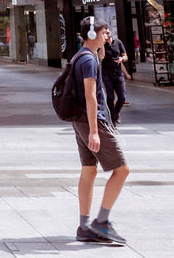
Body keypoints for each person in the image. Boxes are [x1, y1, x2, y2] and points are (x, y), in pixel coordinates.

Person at [71, 17, 130, 244]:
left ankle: (84, 226)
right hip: (91, 121)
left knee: (89, 170)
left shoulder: (83, 56)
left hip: (80, 120)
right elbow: (90, 97)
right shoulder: (89, 61)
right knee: (122, 170)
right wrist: (95, 131)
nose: (107, 36)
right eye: (104, 32)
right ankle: (101, 222)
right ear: (93, 35)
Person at [101, 29, 130, 125]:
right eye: (104, 34)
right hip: (107, 74)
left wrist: (121, 59)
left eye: (108, 33)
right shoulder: (102, 45)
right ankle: (113, 119)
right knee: (110, 97)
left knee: (122, 97)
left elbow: (125, 56)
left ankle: (116, 112)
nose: (107, 35)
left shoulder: (118, 42)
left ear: (111, 33)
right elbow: (100, 57)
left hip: (118, 74)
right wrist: (102, 44)